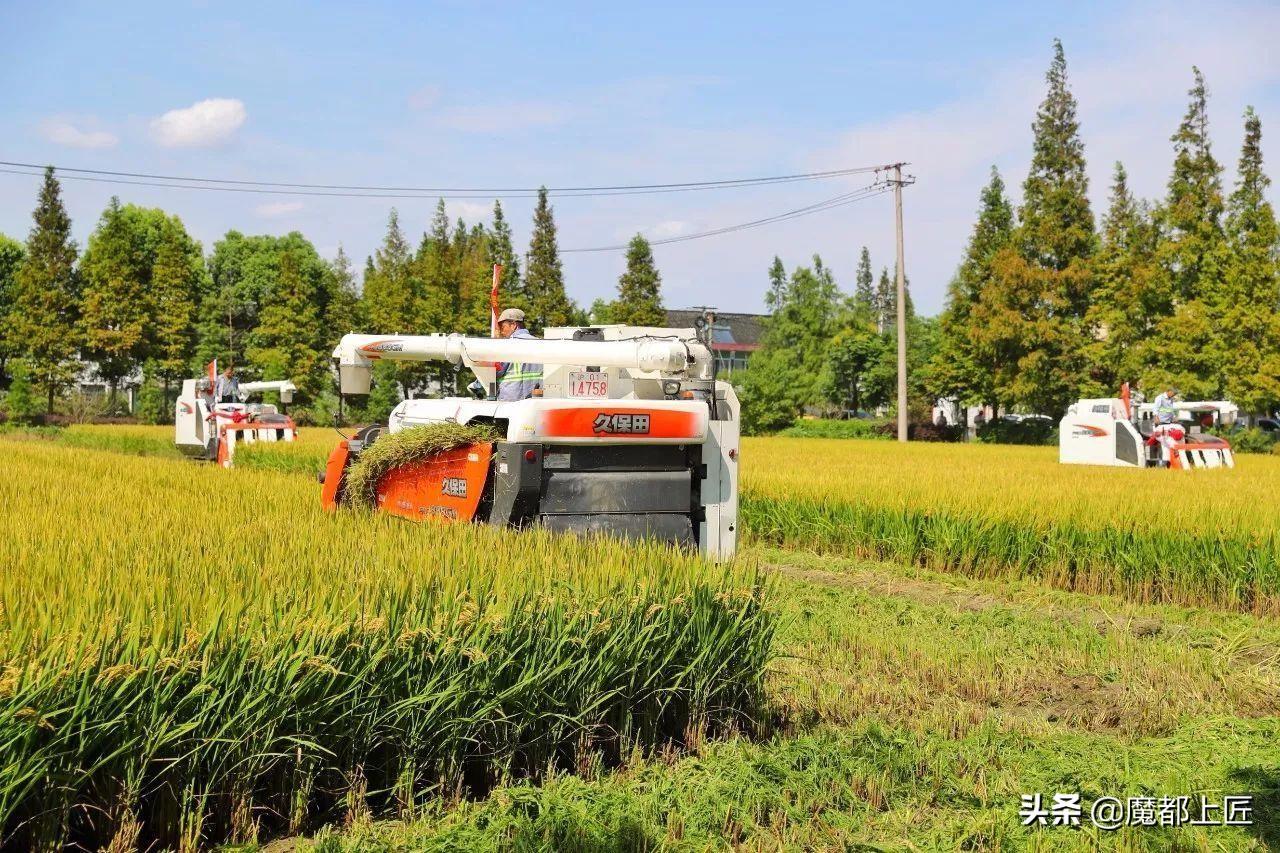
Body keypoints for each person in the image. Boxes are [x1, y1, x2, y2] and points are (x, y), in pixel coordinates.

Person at [494, 308, 542, 401]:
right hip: (535, 402)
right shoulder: (540, 343)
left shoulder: (509, 345)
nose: (501, 331)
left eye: (502, 327)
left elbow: (494, 372)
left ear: (513, 325)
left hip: (511, 403)